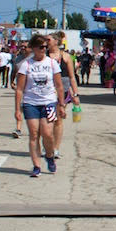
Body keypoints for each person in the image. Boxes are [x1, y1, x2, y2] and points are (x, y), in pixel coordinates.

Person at [14, 34, 66, 177]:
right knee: (34, 134)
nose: (44, 49)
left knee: (47, 134)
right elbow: (19, 89)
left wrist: (61, 104)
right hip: (31, 103)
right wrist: (17, 109)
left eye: (45, 47)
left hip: (48, 102)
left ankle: (49, 156)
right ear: (34, 48)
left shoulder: (51, 63)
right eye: (41, 47)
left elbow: (59, 86)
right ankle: (36, 165)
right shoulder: (26, 65)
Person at [46, 31, 81, 159]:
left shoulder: (65, 57)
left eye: (48, 40)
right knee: (47, 120)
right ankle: (48, 146)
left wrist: (75, 94)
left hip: (63, 92)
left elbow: (72, 77)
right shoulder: (43, 56)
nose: (46, 42)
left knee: (58, 120)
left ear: (56, 41)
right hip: (46, 92)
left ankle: (55, 148)